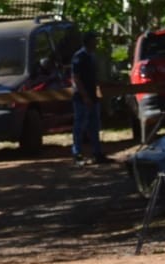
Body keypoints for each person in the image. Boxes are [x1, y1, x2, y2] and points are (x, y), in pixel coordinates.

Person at [71, 31, 108, 165]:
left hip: (93, 96)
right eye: (94, 40)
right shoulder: (79, 57)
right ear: (88, 41)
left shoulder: (92, 56)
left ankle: (97, 153)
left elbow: (94, 77)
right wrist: (85, 96)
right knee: (80, 126)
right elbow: (76, 78)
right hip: (81, 98)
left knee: (94, 125)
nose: (96, 42)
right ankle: (77, 154)